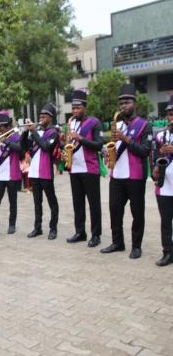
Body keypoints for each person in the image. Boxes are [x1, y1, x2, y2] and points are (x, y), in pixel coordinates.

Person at [101, 83, 152, 259]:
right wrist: (107, 150)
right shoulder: (117, 126)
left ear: (135, 104)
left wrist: (126, 139)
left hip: (135, 175)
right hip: (117, 175)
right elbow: (111, 148)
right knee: (114, 209)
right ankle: (117, 242)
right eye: (121, 103)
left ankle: (136, 246)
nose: (123, 106)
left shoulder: (145, 125)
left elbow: (145, 151)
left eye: (127, 102)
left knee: (137, 212)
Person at [64, 90, 103, 248]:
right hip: (75, 169)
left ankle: (96, 235)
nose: (75, 111)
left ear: (85, 107)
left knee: (94, 204)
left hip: (90, 168)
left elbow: (99, 145)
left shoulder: (94, 122)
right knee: (77, 203)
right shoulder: (70, 123)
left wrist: (80, 138)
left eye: (78, 107)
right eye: (73, 108)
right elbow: (68, 143)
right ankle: (80, 232)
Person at [21, 103, 59, 240]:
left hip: (46, 173)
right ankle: (37, 228)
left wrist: (33, 131)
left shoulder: (53, 132)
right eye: (40, 116)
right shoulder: (36, 133)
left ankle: (53, 229)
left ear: (51, 117)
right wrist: (26, 132)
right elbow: (24, 146)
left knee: (52, 202)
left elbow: (45, 147)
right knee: (37, 202)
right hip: (34, 173)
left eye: (44, 117)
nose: (41, 118)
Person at [153, 96, 173, 266]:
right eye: (169, 114)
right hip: (164, 185)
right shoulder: (161, 135)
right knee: (165, 222)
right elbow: (154, 158)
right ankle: (167, 252)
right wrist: (155, 168)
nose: (171, 117)